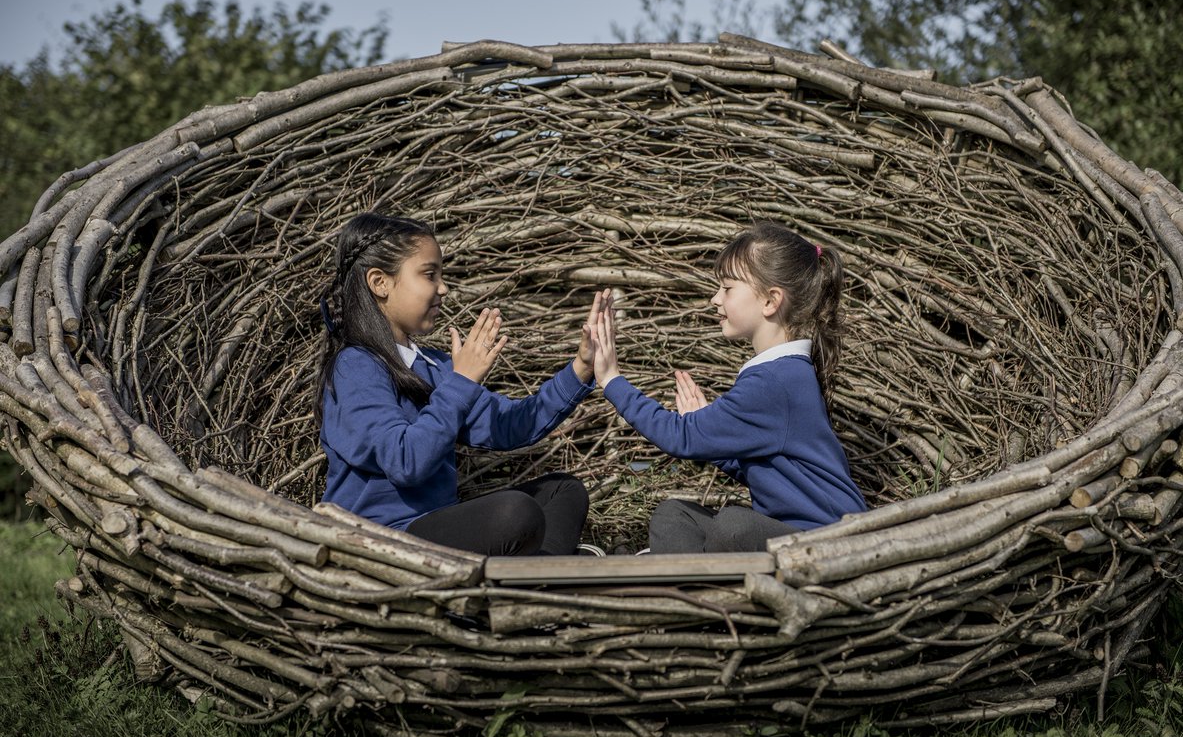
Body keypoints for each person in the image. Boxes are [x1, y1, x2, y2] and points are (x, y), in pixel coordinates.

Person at [315, 211, 611, 556]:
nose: (443, 288)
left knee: (564, 490)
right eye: (429, 275)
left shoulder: (435, 366)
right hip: (382, 539)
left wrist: (581, 369)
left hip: (438, 527)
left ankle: (540, 575)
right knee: (515, 513)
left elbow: (511, 425)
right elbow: (405, 461)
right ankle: (543, 572)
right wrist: (462, 380)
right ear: (379, 282)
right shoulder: (355, 366)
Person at [590, 221, 866, 553]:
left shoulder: (774, 382)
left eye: (728, 288)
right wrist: (714, 438)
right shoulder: (777, 373)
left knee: (733, 525)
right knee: (674, 515)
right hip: (787, 537)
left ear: (770, 301)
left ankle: (688, 580)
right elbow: (769, 469)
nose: (714, 299)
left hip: (827, 543)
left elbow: (682, 437)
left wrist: (611, 381)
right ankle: (687, 584)